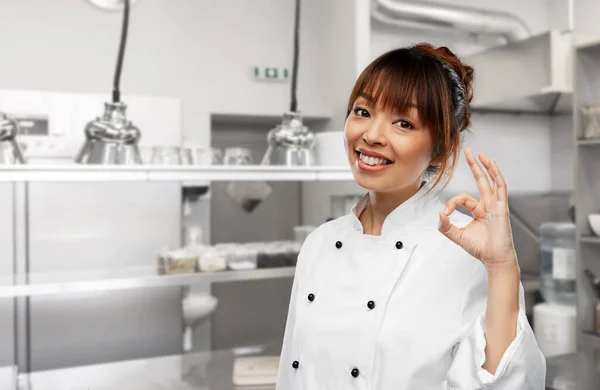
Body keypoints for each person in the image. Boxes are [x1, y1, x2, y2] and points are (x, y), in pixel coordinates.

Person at [276, 43, 546, 389]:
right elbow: (291, 371)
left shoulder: (466, 250)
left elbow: (509, 384)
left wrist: (502, 266)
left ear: (441, 150)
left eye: (403, 123)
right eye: (362, 111)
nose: (371, 135)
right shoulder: (319, 244)